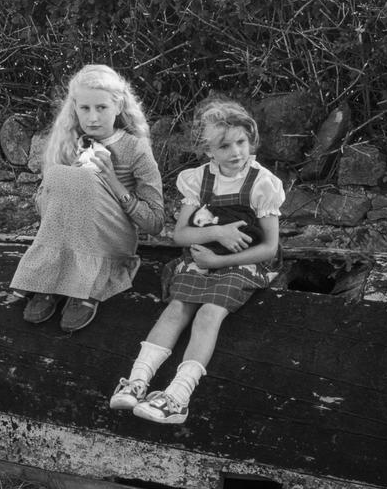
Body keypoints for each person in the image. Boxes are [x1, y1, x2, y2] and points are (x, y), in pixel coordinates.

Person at [111, 96, 286, 424]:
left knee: (208, 314)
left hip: (245, 261)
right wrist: (217, 234)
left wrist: (219, 262)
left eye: (241, 142)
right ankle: (137, 381)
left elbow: (270, 249)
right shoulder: (199, 179)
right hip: (205, 254)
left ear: (250, 140)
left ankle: (177, 396)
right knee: (177, 307)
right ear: (207, 150)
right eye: (224, 146)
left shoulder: (262, 183)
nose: (236, 152)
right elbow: (181, 236)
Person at [9, 65, 165, 332]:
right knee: (62, 175)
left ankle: (86, 286)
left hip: (111, 239)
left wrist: (112, 182)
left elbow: (155, 222)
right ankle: (53, 277)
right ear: (75, 109)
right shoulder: (70, 143)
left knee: (78, 179)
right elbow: (42, 206)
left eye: (102, 107)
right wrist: (67, 185)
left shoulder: (134, 148)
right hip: (67, 234)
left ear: (118, 106)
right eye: (85, 108)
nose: (93, 118)